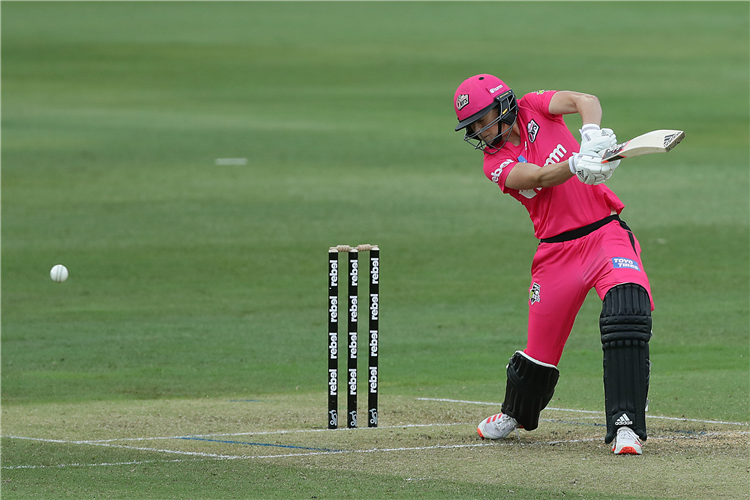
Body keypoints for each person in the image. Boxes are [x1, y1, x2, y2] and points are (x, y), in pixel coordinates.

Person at [452, 74, 654, 455]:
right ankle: (515, 412)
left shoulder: (533, 105)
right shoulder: (494, 161)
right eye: (473, 126)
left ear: (504, 105)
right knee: (539, 355)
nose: (480, 131)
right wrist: (578, 162)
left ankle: (626, 425)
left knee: (627, 311)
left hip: (604, 235)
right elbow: (541, 176)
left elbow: (585, 98)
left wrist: (592, 134)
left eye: (482, 120)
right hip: (556, 253)